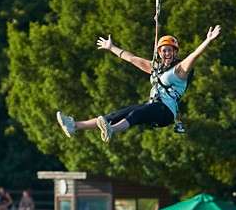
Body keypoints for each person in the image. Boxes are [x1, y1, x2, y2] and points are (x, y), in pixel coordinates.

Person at [56, 26, 221, 142]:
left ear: (175, 52)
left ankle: (111, 130)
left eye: (170, 50)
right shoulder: (155, 68)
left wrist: (207, 41)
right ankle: (74, 125)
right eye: (164, 50)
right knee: (118, 114)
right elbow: (131, 58)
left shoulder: (179, 70)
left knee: (136, 113)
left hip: (166, 112)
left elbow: (194, 56)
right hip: (154, 108)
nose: (167, 53)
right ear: (159, 53)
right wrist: (111, 47)